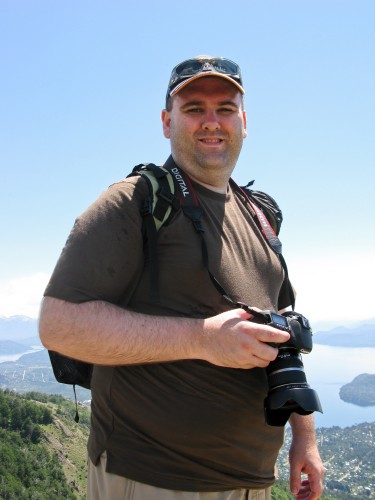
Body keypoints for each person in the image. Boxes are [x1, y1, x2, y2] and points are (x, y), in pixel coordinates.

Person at [39, 56, 324, 500]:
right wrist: (202, 339)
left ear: (243, 122)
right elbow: (58, 326)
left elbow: (282, 329)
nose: (211, 122)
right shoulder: (134, 202)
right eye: (193, 109)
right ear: (166, 121)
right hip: (155, 479)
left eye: (225, 108)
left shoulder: (261, 214)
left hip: (253, 482)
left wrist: (304, 436)